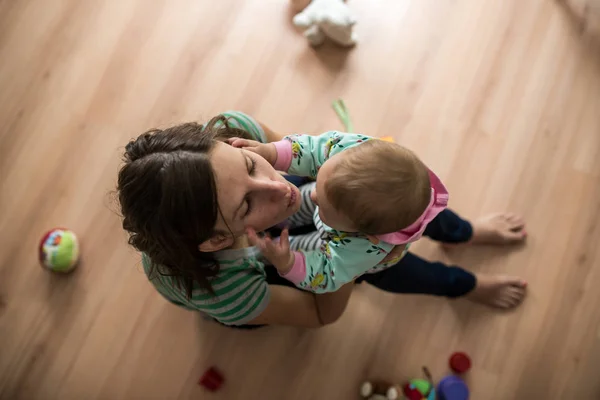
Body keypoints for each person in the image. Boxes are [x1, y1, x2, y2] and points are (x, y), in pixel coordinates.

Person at [116, 111, 528, 328]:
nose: (284, 189)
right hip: (286, 269)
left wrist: (271, 154)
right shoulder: (223, 290)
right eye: (246, 204)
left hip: (327, 236)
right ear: (216, 240)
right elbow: (320, 314)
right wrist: (355, 262)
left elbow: (305, 156)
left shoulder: (235, 131)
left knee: (395, 197)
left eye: (251, 163)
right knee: (390, 269)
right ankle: (464, 286)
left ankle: (463, 233)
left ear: (228, 144)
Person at [228, 131, 449, 293]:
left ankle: (267, 253)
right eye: (322, 177)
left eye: (323, 207)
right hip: (344, 216)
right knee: (307, 196)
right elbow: (314, 150)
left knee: (297, 247)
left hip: (340, 247)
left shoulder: (361, 248)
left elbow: (326, 272)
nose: (315, 196)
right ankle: (285, 221)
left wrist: (287, 262)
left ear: (361, 232)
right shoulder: (352, 151)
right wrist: (272, 152)